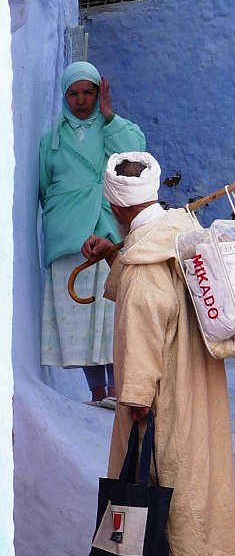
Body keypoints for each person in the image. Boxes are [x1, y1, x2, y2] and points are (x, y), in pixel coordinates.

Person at [81, 151, 235, 556]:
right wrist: (117, 256)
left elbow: (143, 328)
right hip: (197, 384)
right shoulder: (180, 237)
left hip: (165, 389)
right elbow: (159, 293)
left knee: (162, 472)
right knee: (189, 471)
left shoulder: (144, 269)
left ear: (116, 207)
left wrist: (135, 397)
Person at [39, 61, 145, 406]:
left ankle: (116, 389)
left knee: (110, 311)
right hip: (67, 233)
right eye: (73, 93)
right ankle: (96, 392)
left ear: (99, 94)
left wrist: (109, 115)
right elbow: (44, 186)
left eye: (88, 93)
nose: (80, 101)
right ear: (64, 95)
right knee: (79, 315)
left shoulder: (115, 128)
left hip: (106, 230)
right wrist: (62, 211)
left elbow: (135, 154)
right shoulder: (51, 138)